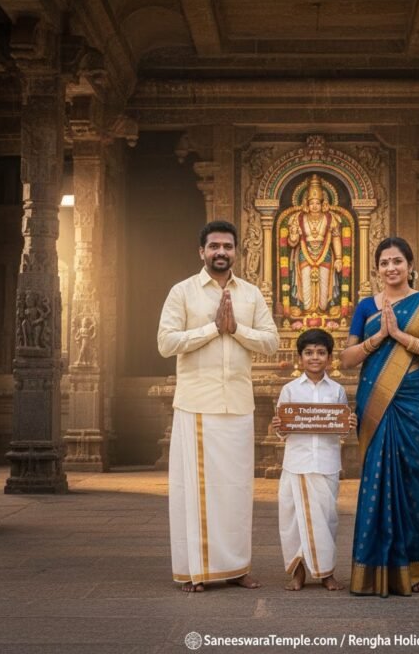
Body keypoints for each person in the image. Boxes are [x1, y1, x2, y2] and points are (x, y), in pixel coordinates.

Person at [157, 220, 279, 593]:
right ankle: (196, 570)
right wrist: (212, 329)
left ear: (237, 252)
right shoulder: (183, 292)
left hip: (238, 405)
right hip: (197, 404)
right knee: (195, 491)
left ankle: (236, 567)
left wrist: (236, 329)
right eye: (214, 247)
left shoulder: (251, 295)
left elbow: (271, 342)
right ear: (202, 252)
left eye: (227, 246)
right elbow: (166, 343)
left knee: (237, 490)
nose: (221, 252)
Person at [340, 236, 419, 597]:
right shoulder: (364, 307)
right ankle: (371, 569)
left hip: (416, 403)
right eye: (384, 263)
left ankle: (416, 567)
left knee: (415, 481)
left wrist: (401, 336)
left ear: (410, 265)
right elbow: (347, 359)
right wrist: (378, 337)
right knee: (375, 481)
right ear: (377, 270)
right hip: (376, 401)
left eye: (397, 261)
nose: (391, 268)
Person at [272, 329, 357, 592]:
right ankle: (298, 573)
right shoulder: (289, 390)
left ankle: (326, 572)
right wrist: (278, 424)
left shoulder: (337, 390)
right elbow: (282, 428)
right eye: (309, 353)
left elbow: (340, 428)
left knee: (328, 519)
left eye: (321, 352)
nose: (315, 357)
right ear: (300, 358)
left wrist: (348, 424)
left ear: (329, 358)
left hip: (327, 463)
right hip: (296, 464)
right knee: (293, 521)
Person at [287, 174, 343, 314]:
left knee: (324, 299)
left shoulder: (330, 218)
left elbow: (336, 238)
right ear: (306, 203)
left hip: (325, 255)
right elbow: (292, 243)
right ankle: (307, 311)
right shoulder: (298, 218)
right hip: (304, 255)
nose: (314, 206)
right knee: (305, 289)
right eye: (311, 203)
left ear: (323, 202)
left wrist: (339, 258)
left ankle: (322, 310)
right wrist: (293, 236)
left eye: (317, 203)